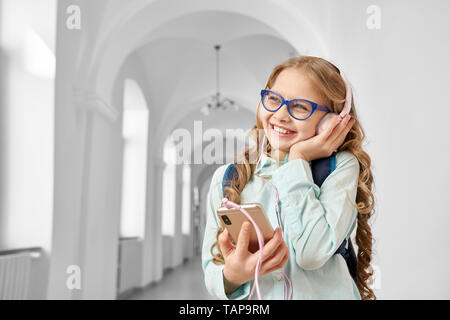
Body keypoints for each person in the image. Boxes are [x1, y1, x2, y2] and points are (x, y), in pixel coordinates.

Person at [201, 55, 376, 300]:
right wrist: (233, 275)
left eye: (300, 106)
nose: (281, 115)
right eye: (273, 99)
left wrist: (298, 158)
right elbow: (212, 270)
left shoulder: (339, 168)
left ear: (331, 123)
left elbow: (312, 253)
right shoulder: (227, 178)